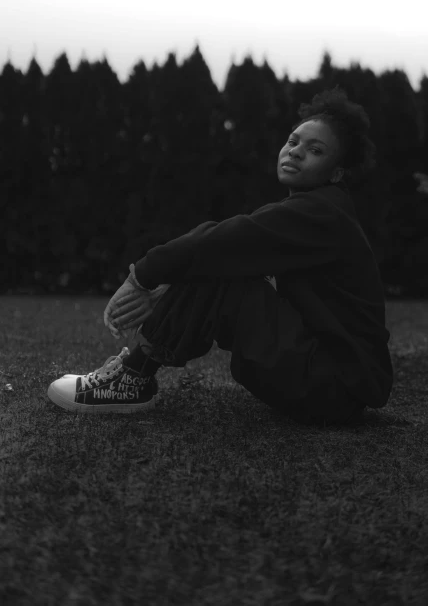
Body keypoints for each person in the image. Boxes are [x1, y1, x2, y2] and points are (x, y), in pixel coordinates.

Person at [47, 87, 392, 425]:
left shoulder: (322, 213)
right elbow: (240, 256)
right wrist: (169, 291)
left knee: (224, 260)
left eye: (315, 150)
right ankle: (134, 375)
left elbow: (227, 239)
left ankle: (133, 379)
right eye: (292, 141)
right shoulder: (320, 211)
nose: (295, 152)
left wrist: (144, 276)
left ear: (336, 173)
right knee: (226, 263)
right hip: (332, 384)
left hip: (330, 386)